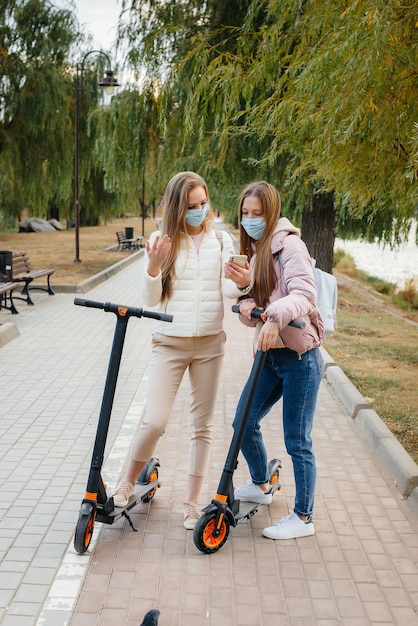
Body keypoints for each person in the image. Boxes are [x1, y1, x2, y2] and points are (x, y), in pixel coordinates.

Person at [112, 171, 251, 529]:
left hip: (209, 345)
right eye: (192, 206)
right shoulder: (163, 241)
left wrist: (243, 283)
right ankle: (128, 479)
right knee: (155, 420)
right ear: (177, 206)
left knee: (202, 427)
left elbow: (230, 292)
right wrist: (154, 267)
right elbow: (150, 300)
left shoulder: (221, 240)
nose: (200, 211)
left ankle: (191, 503)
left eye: (203, 204)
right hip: (169, 343)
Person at [224, 181, 325, 540]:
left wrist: (274, 316)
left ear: (272, 212)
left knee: (297, 440)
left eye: (258, 214)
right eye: (245, 214)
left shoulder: (290, 246)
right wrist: (246, 298)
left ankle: (303, 518)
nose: (251, 220)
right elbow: (253, 305)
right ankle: (261, 483)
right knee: (242, 422)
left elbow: (303, 296)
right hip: (269, 356)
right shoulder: (253, 249)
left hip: (301, 356)